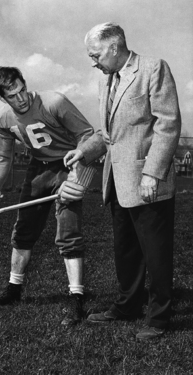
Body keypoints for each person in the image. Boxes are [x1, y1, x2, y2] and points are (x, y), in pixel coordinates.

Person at [0, 66, 105, 326]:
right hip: (39, 169)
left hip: (71, 163)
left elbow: (88, 136)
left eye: (22, 89)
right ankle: (13, 290)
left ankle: (76, 298)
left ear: (24, 84)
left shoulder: (55, 102)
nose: (21, 98)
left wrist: (78, 178)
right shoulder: (1, 119)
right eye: (13, 96)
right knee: (24, 229)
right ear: (1, 98)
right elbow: (3, 159)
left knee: (68, 231)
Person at [64, 22, 181, 339]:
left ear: (114, 47)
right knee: (125, 249)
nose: (94, 61)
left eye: (96, 54)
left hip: (147, 181)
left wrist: (152, 173)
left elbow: (167, 126)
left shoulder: (153, 69)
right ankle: (128, 306)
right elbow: (108, 134)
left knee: (155, 252)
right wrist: (84, 152)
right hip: (116, 180)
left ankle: (159, 318)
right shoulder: (105, 81)